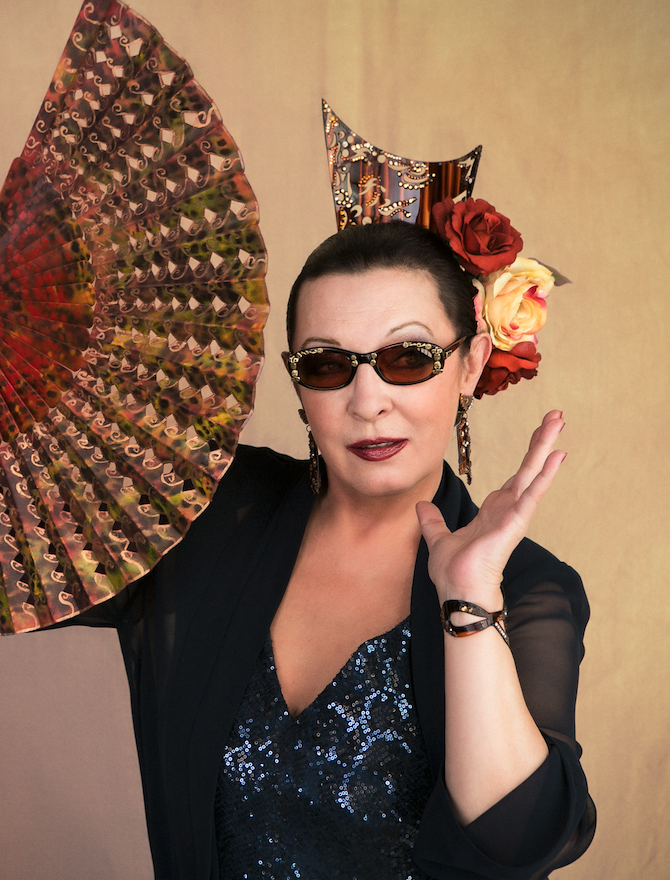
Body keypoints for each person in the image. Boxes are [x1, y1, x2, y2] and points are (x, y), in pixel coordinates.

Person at [66, 219, 594, 879]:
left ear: (471, 363)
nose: (367, 402)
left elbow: (520, 841)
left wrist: (469, 600)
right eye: (327, 365)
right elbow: (36, 563)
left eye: (408, 358)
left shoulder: (528, 588)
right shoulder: (208, 506)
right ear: (298, 383)